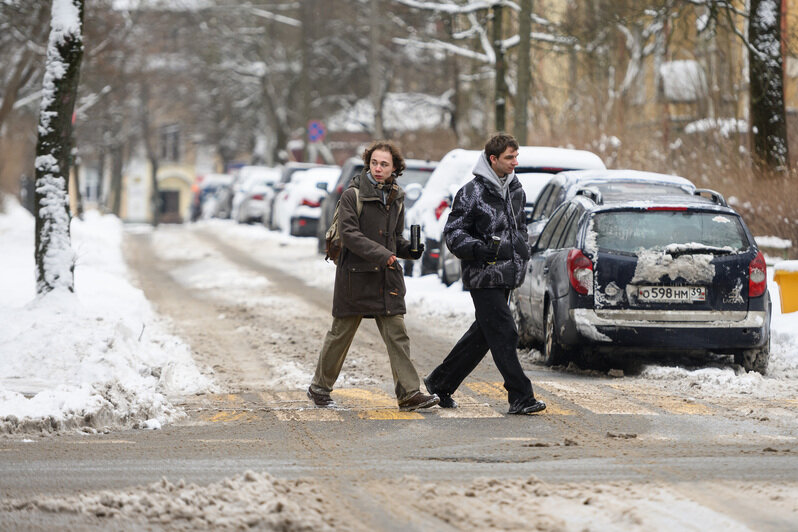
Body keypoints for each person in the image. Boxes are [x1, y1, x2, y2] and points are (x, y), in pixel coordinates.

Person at [307, 140, 440, 412]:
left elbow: (394, 239)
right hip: (354, 277)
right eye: (374, 163)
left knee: (397, 333)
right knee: (340, 334)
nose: (378, 169)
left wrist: (410, 250)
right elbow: (349, 235)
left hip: (385, 278)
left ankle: (409, 394)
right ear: (368, 163)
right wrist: (384, 254)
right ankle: (319, 388)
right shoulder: (351, 195)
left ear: (395, 168)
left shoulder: (397, 196)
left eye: (384, 164)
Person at [423, 133, 546, 415]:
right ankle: (520, 396)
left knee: (482, 334)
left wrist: (522, 250)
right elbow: (453, 234)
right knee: (504, 331)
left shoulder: (516, 189)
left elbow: (520, 227)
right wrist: (478, 249)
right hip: (483, 275)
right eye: (509, 158)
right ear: (493, 159)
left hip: (508, 273)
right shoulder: (471, 192)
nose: (515, 162)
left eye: (516, 157)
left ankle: (440, 383)